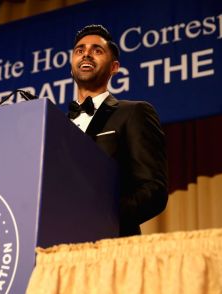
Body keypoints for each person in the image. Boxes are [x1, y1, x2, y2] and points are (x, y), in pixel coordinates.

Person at [68, 24, 168, 236]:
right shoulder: (55, 126)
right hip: (53, 249)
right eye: (80, 51)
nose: (86, 55)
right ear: (71, 66)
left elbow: (153, 190)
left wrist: (100, 216)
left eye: (97, 50)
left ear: (114, 67)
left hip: (111, 247)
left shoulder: (134, 112)